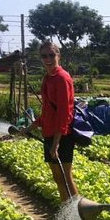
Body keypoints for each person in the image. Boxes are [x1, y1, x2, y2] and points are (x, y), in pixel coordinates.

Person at [22, 41, 78, 202]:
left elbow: (64, 112)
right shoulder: (48, 78)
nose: (48, 59)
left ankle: (78, 217)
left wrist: (56, 142)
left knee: (65, 177)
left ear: (58, 56)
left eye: (51, 55)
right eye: (44, 56)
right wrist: (31, 127)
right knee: (57, 177)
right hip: (50, 133)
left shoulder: (61, 78)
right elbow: (48, 110)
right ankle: (65, 213)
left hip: (62, 135)